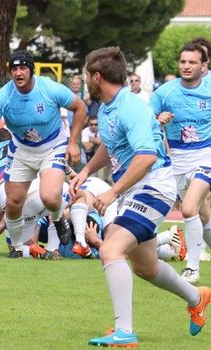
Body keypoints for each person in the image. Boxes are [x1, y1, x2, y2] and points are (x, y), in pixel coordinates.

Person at [70, 46, 210, 347]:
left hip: (153, 186)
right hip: (137, 188)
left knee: (110, 250)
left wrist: (112, 191)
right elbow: (111, 143)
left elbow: (146, 157)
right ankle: (197, 297)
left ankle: (124, 332)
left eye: (86, 76)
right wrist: (86, 171)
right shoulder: (109, 107)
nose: (85, 81)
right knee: (145, 267)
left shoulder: (131, 107)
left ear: (96, 77)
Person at [0, 50, 87, 257]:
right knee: (13, 202)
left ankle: (58, 218)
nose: (18, 73)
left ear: (31, 70)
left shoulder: (49, 89)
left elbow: (80, 108)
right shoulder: (4, 95)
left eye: (23, 68)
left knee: (50, 196)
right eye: (14, 69)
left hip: (52, 146)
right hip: (21, 150)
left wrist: (73, 142)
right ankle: (17, 248)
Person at [150, 43, 211, 284]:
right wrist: (158, 121)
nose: (186, 66)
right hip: (177, 160)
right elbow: (144, 124)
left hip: (206, 155)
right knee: (203, 215)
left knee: (188, 208)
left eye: (192, 62)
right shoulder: (164, 93)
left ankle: (192, 268)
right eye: (183, 61)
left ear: (203, 66)